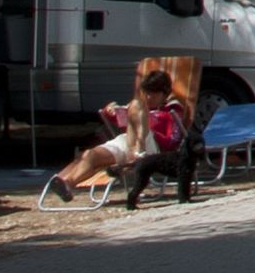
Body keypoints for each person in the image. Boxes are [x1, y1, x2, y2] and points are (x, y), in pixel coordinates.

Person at [42, 57, 187, 204]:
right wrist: (110, 112)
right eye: (147, 92)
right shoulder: (139, 107)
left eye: (154, 93)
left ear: (165, 93)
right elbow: (123, 122)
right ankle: (66, 183)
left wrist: (150, 130)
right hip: (126, 142)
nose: (149, 97)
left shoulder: (172, 110)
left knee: (136, 104)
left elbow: (173, 141)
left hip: (151, 148)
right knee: (90, 154)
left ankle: (138, 153)